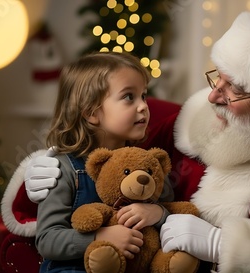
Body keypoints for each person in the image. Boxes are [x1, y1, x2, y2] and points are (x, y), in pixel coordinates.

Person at [22, 12, 250, 272]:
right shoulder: (187, 127)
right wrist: (45, 166)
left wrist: (225, 246)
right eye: (217, 80)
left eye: (235, 90)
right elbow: (113, 170)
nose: (213, 98)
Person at [33, 52, 174, 273]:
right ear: (91, 113)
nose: (143, 106)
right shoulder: (63, 169)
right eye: (129, 97)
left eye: (143, 96)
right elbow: (47, 240)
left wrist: (156, 214)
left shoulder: (145, 164)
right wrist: (98, 237)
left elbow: (171, 207)